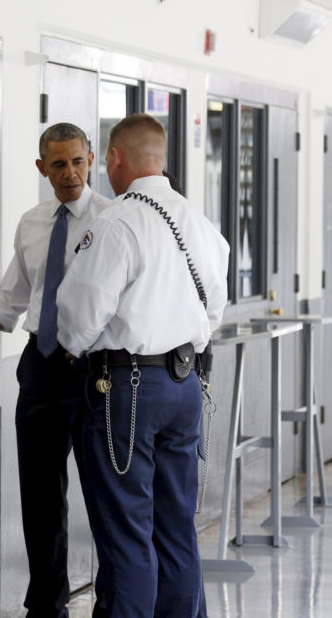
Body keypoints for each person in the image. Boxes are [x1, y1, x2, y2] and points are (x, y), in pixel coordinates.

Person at [57, 113, 229, 617]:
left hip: (128, 392)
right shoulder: (198, 223)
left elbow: (80, 313)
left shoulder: (116, 221)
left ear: (113, 159)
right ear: (161, 158)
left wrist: (73, 347)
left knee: (128, 533)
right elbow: (213, 310)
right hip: (185, 386)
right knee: (176, 527)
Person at [0, 122, 111, 617]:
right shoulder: (33, 223)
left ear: (92, 161)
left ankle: (116, 602)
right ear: (42, 168)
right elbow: (11, 301)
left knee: (107, 497)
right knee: (40, 501)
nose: (70, 174)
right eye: (58, 165)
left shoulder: (113, 220)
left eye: (78, 162)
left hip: (94, 373)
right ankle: (46, 606)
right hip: (40, 371)